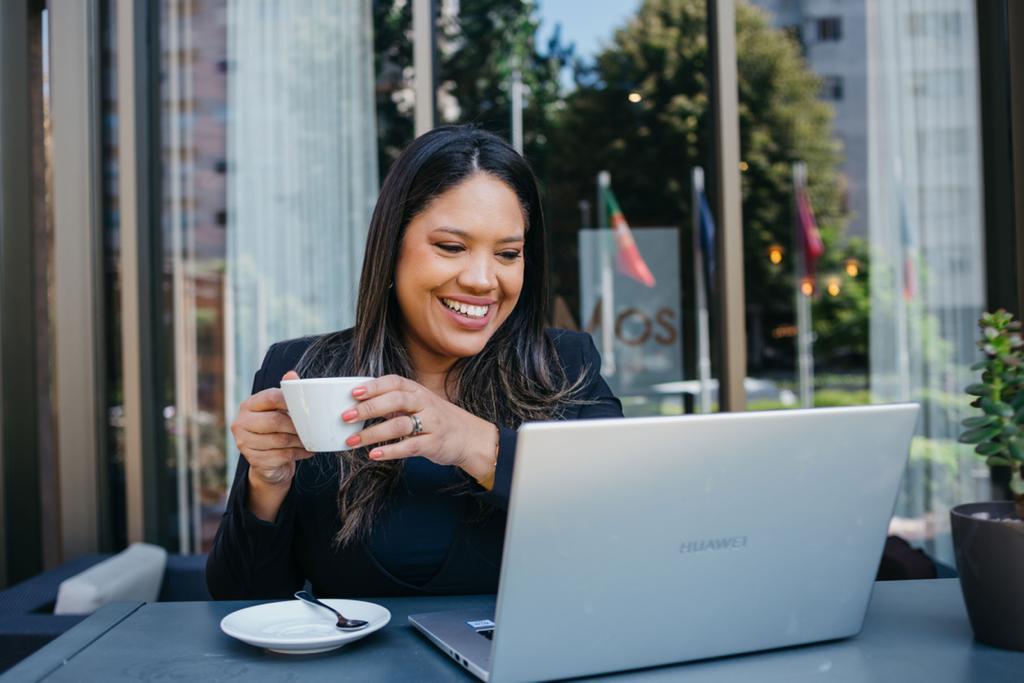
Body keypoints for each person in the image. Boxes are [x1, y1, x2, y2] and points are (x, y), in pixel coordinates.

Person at [206, 125, 623, 599]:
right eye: (451, 247)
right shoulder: (304, 371)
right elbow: (238, 599)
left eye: (508, 253)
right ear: (393, 247)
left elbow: (620, 526)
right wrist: (267, 484)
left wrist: (471, 441)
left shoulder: (566, 365)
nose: (484, 280)